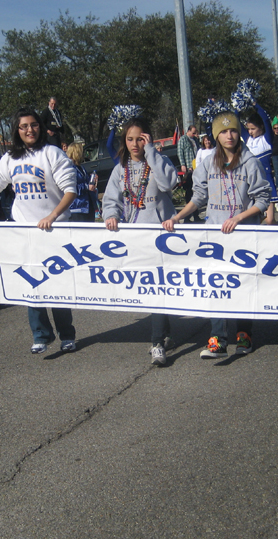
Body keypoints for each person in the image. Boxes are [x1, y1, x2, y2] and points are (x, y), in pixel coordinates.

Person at [163, 111, 271, 359]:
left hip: (243, 234)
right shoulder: (208, 163)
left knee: (242, 285)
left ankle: (244, 334)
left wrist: (239, 218)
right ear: (215, 136)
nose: (229, 135)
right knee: (216, 285)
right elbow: (199, 196)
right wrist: (178, 217)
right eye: (223, 132)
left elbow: (262, 199)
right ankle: (218, 339)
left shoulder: (250, 162)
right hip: (215, 236)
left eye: (233, 130)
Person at [0, 107, 77, 354]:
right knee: (32, 285)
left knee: (57, 285)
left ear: (40, 127)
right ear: (17, 130)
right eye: (23, 126)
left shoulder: (52, 154)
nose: (29, 130)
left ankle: (67, 335)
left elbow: (70, 191)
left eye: (33, 125)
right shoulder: (10, 158)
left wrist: (52, 216)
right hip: (24, 232)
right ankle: (41, 335)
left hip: (54, 231)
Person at [103, 115, 179, 365]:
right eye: (130, 139)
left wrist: (152, 152)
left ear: (148, 139)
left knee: (157, 287)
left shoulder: (159, 160)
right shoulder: (119, 169)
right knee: (153, 289)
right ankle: (165, 333)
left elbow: (168, 184)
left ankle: (157, 343)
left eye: (140, 139)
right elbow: (112, 200)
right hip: (136, 238)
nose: (135, 144)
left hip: (163, 236)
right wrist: (111, 215)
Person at [67, 142, 99, 222]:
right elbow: (71, 188)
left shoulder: (81, 167)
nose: (83, 154)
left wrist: (92, 180)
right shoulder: (69, 168)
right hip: (77, 208)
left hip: (88, 206)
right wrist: (87, 187)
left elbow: (85, 182)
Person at [177, 125, 199, 203]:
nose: (194, 134)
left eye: (195, 133)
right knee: (189, 186)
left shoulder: (195, 140)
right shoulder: (183, 139)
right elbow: (180, 152)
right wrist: (183, 164)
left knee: (196, 185)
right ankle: (189, 202)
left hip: (196, 165)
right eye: (193, 133)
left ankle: (196, 203)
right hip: (188, 166)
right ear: (188, 131)